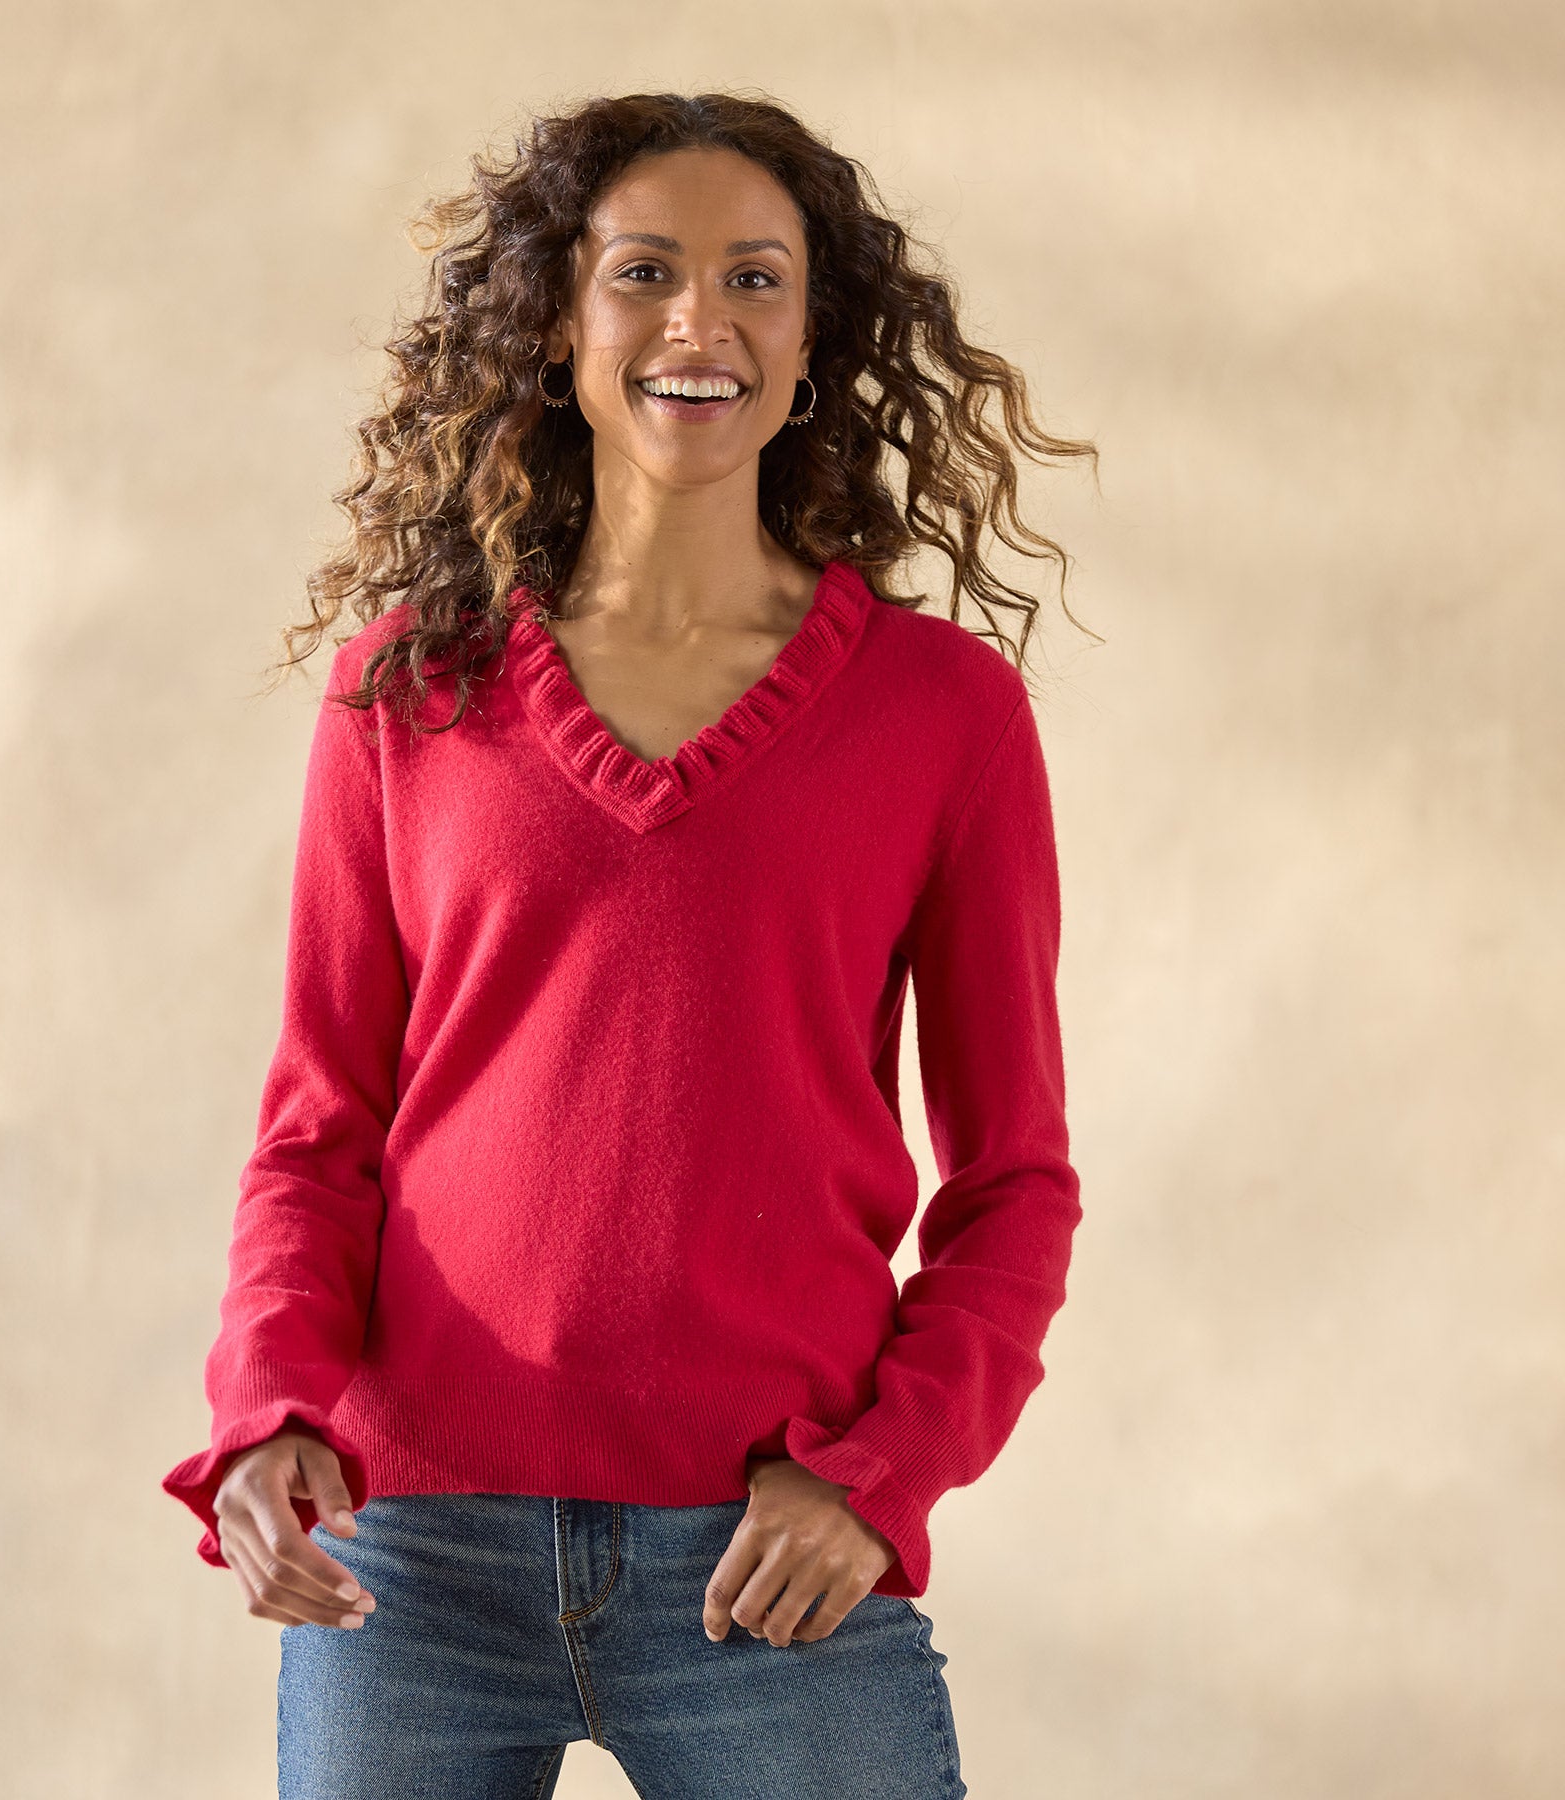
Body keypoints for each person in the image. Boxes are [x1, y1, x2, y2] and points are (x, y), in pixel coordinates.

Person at [162, 88, 1098, 1800]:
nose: (699, 322)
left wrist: (881, 1474)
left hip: (765, 1556)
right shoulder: (405, 694)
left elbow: (1014, 1185)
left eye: (756, 278)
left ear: (813, 338)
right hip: (413, 1559)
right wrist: (268, 1410)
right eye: (644, 272)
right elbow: (317, 1131)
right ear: (557, 325)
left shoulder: (944, 717)